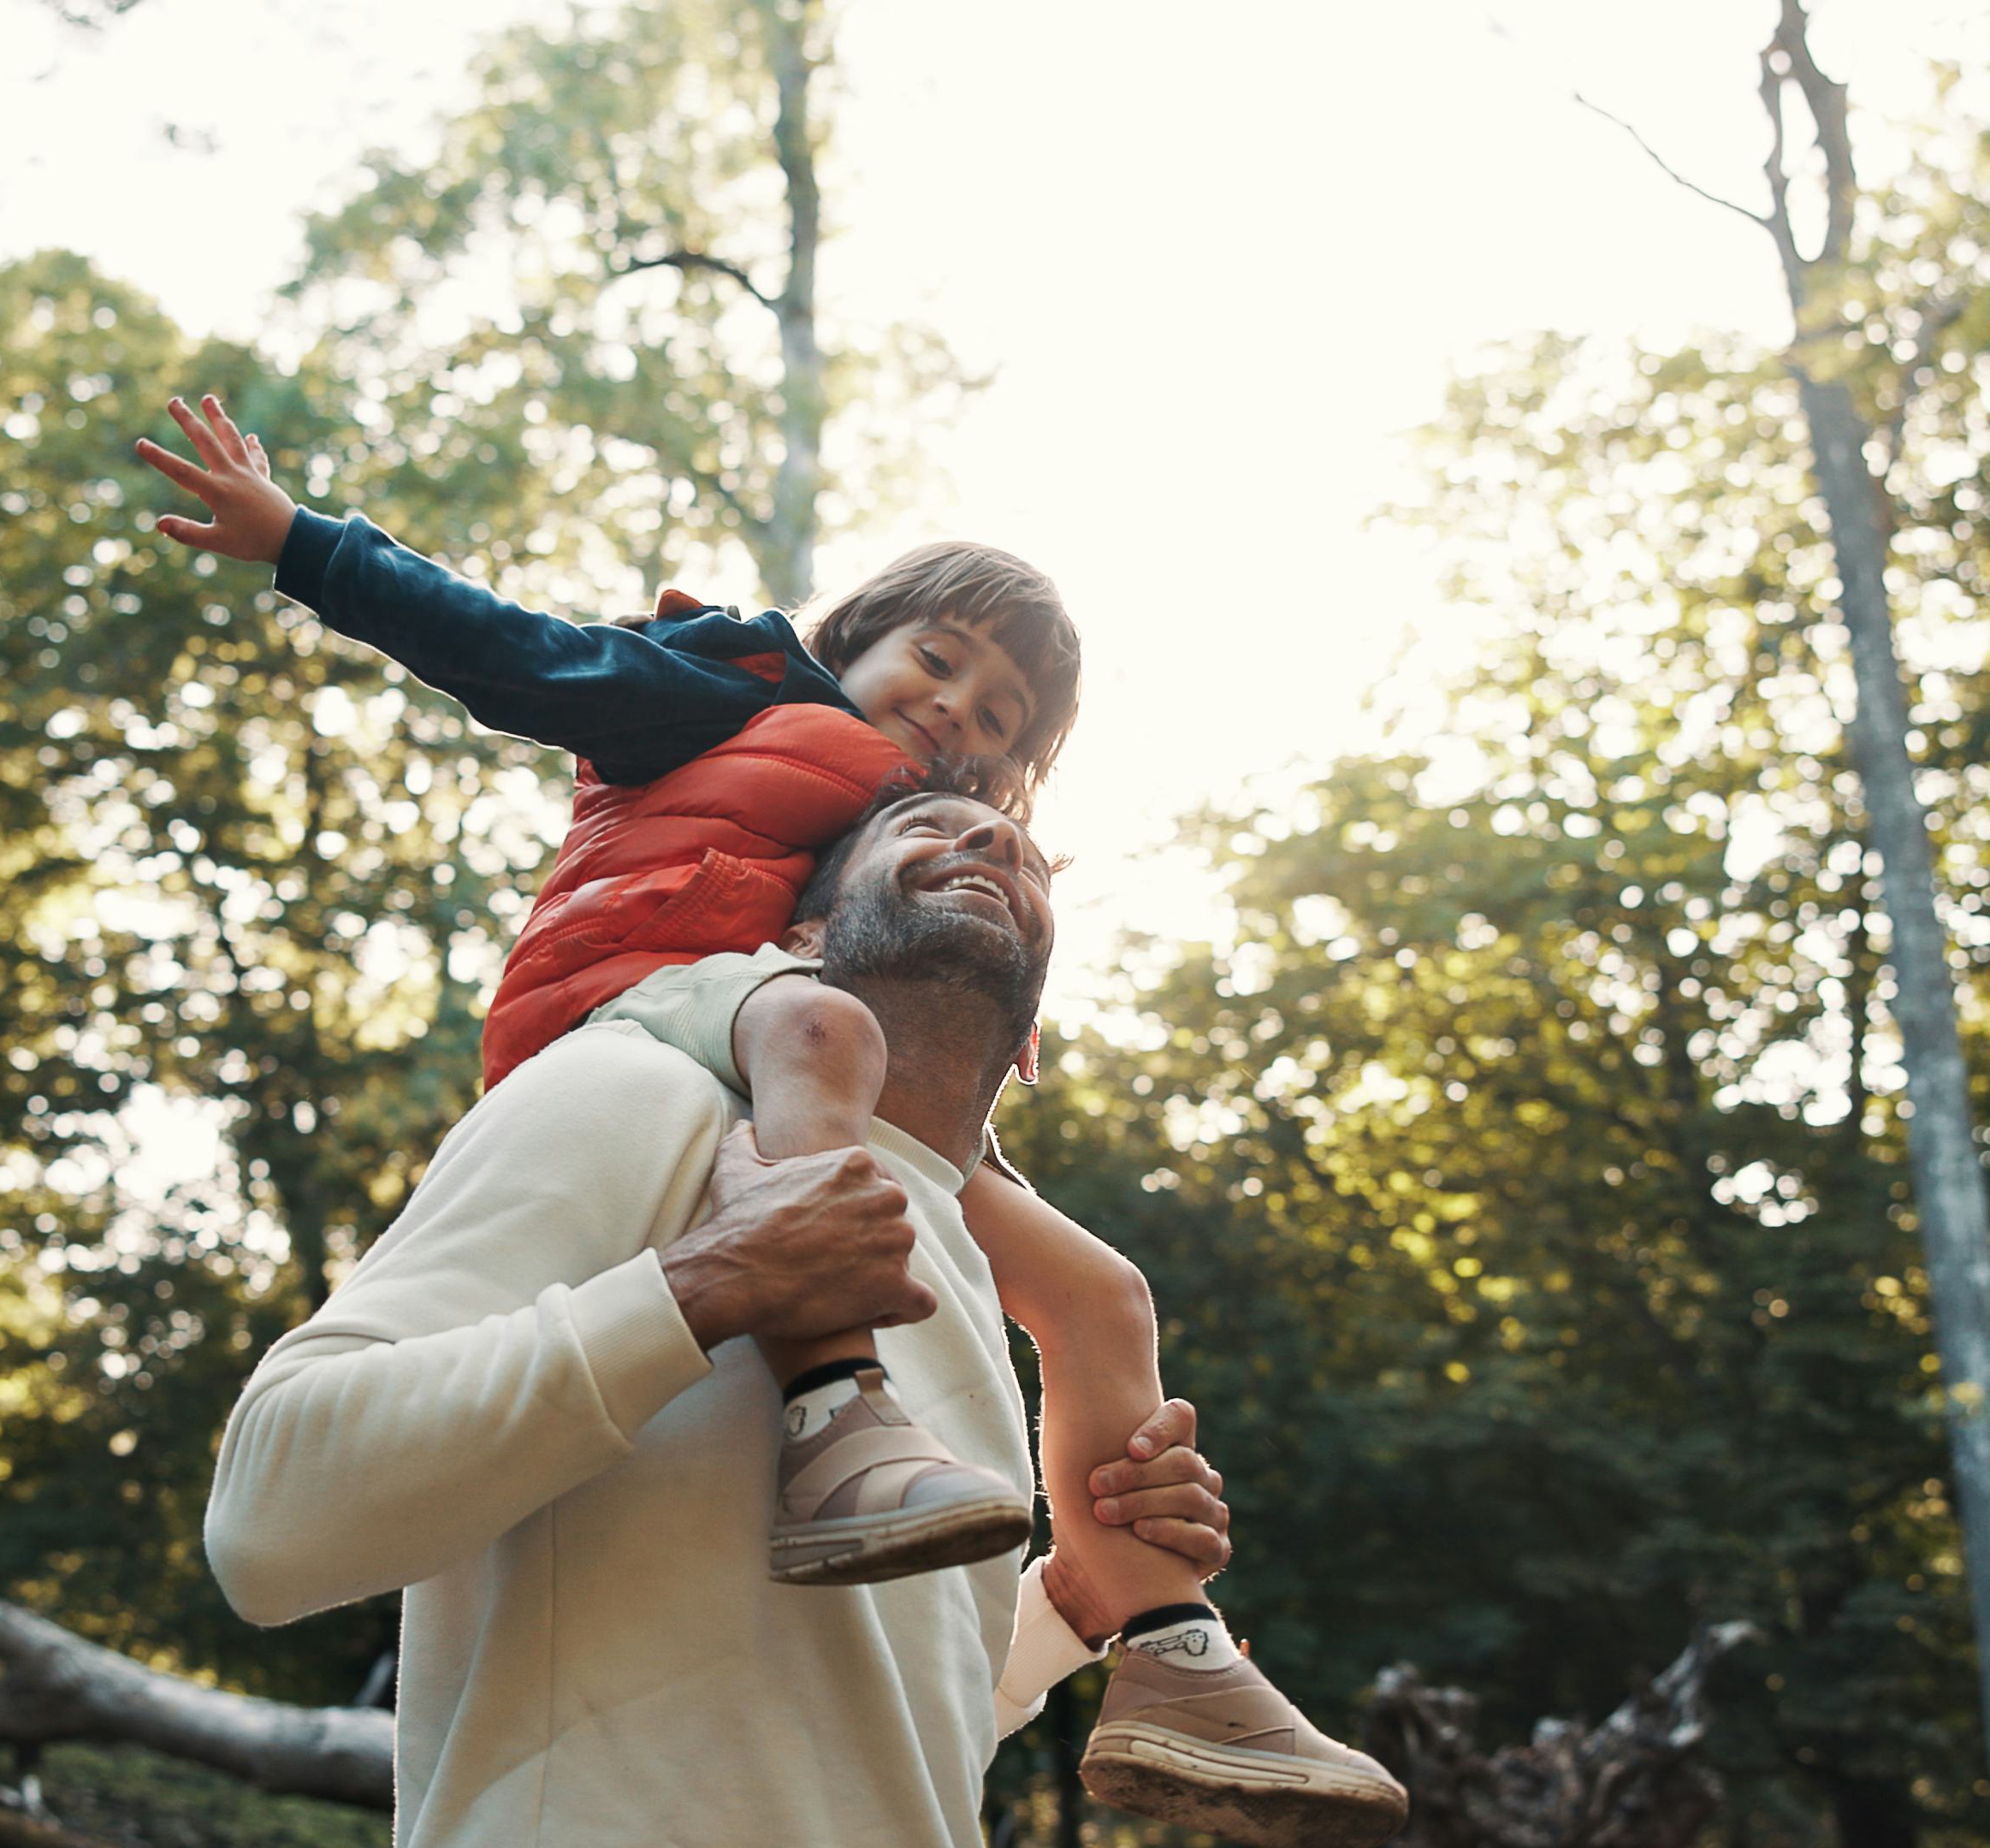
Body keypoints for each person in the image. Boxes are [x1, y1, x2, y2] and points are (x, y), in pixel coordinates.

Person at [149, 397, 1405, 1845]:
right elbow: (270, 1526)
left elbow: (874, 1723)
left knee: (1106, 1292)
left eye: (1000, 791)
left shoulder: (937, 1251)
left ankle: (1175, 1656)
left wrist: (1074, 1600)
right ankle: (829, 1400)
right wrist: (307, 543)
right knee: (822, 1084)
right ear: (817, 914)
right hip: (664, 1001)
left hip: (881, 1158)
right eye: (933, 828)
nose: (969, 778)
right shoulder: (651, 1089)